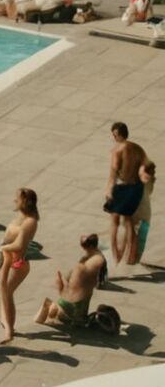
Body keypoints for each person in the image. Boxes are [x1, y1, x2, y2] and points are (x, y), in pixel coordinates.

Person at [34, 233, 107, 326]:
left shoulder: (86, 262)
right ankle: (58, 312)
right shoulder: (95, 261)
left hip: (69, 307)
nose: (84, 249)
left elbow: (70, 278)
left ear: (91, 246)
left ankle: (51, 310)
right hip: (78, 311)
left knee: (50, 306)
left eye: (85, 247)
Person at [0, 188, 40, 343]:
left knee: (7, 292)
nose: (15, 200)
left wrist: (3, 248)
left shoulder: (30, 221)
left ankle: (9, 330)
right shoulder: (21, 217)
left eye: (17, 198)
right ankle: (7, 324)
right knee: (4, 291)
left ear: (25, 201)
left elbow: (19, 244)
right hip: (7, 257)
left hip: (17, 261)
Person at [105, 122, 149, 262]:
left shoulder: (116, 150)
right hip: (136, 188)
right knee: (128, 221)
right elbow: (143, 166)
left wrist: (109, 189)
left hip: (122, 187)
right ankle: (129, 255)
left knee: (114, 222)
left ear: (116, 135)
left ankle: (116, 256)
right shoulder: (138, 148)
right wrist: (142, 175)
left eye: (114, 134)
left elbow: (113, 173)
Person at [129, 161, 156, 265]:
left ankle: (133, 260)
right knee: (139, 237)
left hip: (141, 212)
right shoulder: (145, 180)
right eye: (152, 171)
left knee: (136, 237)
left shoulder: (144, 180)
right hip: (141, 212)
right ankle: (134, 260)